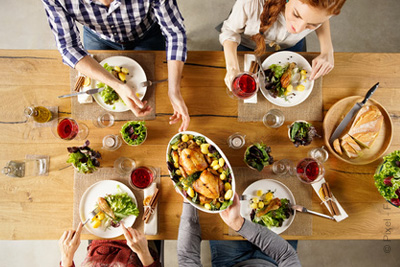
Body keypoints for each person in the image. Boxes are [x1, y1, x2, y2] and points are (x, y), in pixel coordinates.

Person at [41, 0, 189, 132]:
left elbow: (174, 33)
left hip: (146, 33)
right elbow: (69, 47)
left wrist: (174, 90)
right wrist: (116, 85)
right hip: (98, 36)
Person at [220, 0, 347, 89]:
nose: (297, 29)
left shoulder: (324, 6)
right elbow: (230, 31)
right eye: (296, 14)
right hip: (245, 45)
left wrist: (327, 50)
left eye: (312, 24)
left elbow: (321, 16)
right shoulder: (250, 3)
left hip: (292, 46)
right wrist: (232, 67)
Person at [177, 193, 301, 267]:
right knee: (290, 203)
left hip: (230, 261)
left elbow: (187, 258)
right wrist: (239, 224)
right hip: (276, 260)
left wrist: (188, 199)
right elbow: (287, 255)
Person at [58, 222, 160, 267]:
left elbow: (66, 262)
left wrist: (66, 257)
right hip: (137, 242)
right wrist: (143, 252)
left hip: (99, 238)